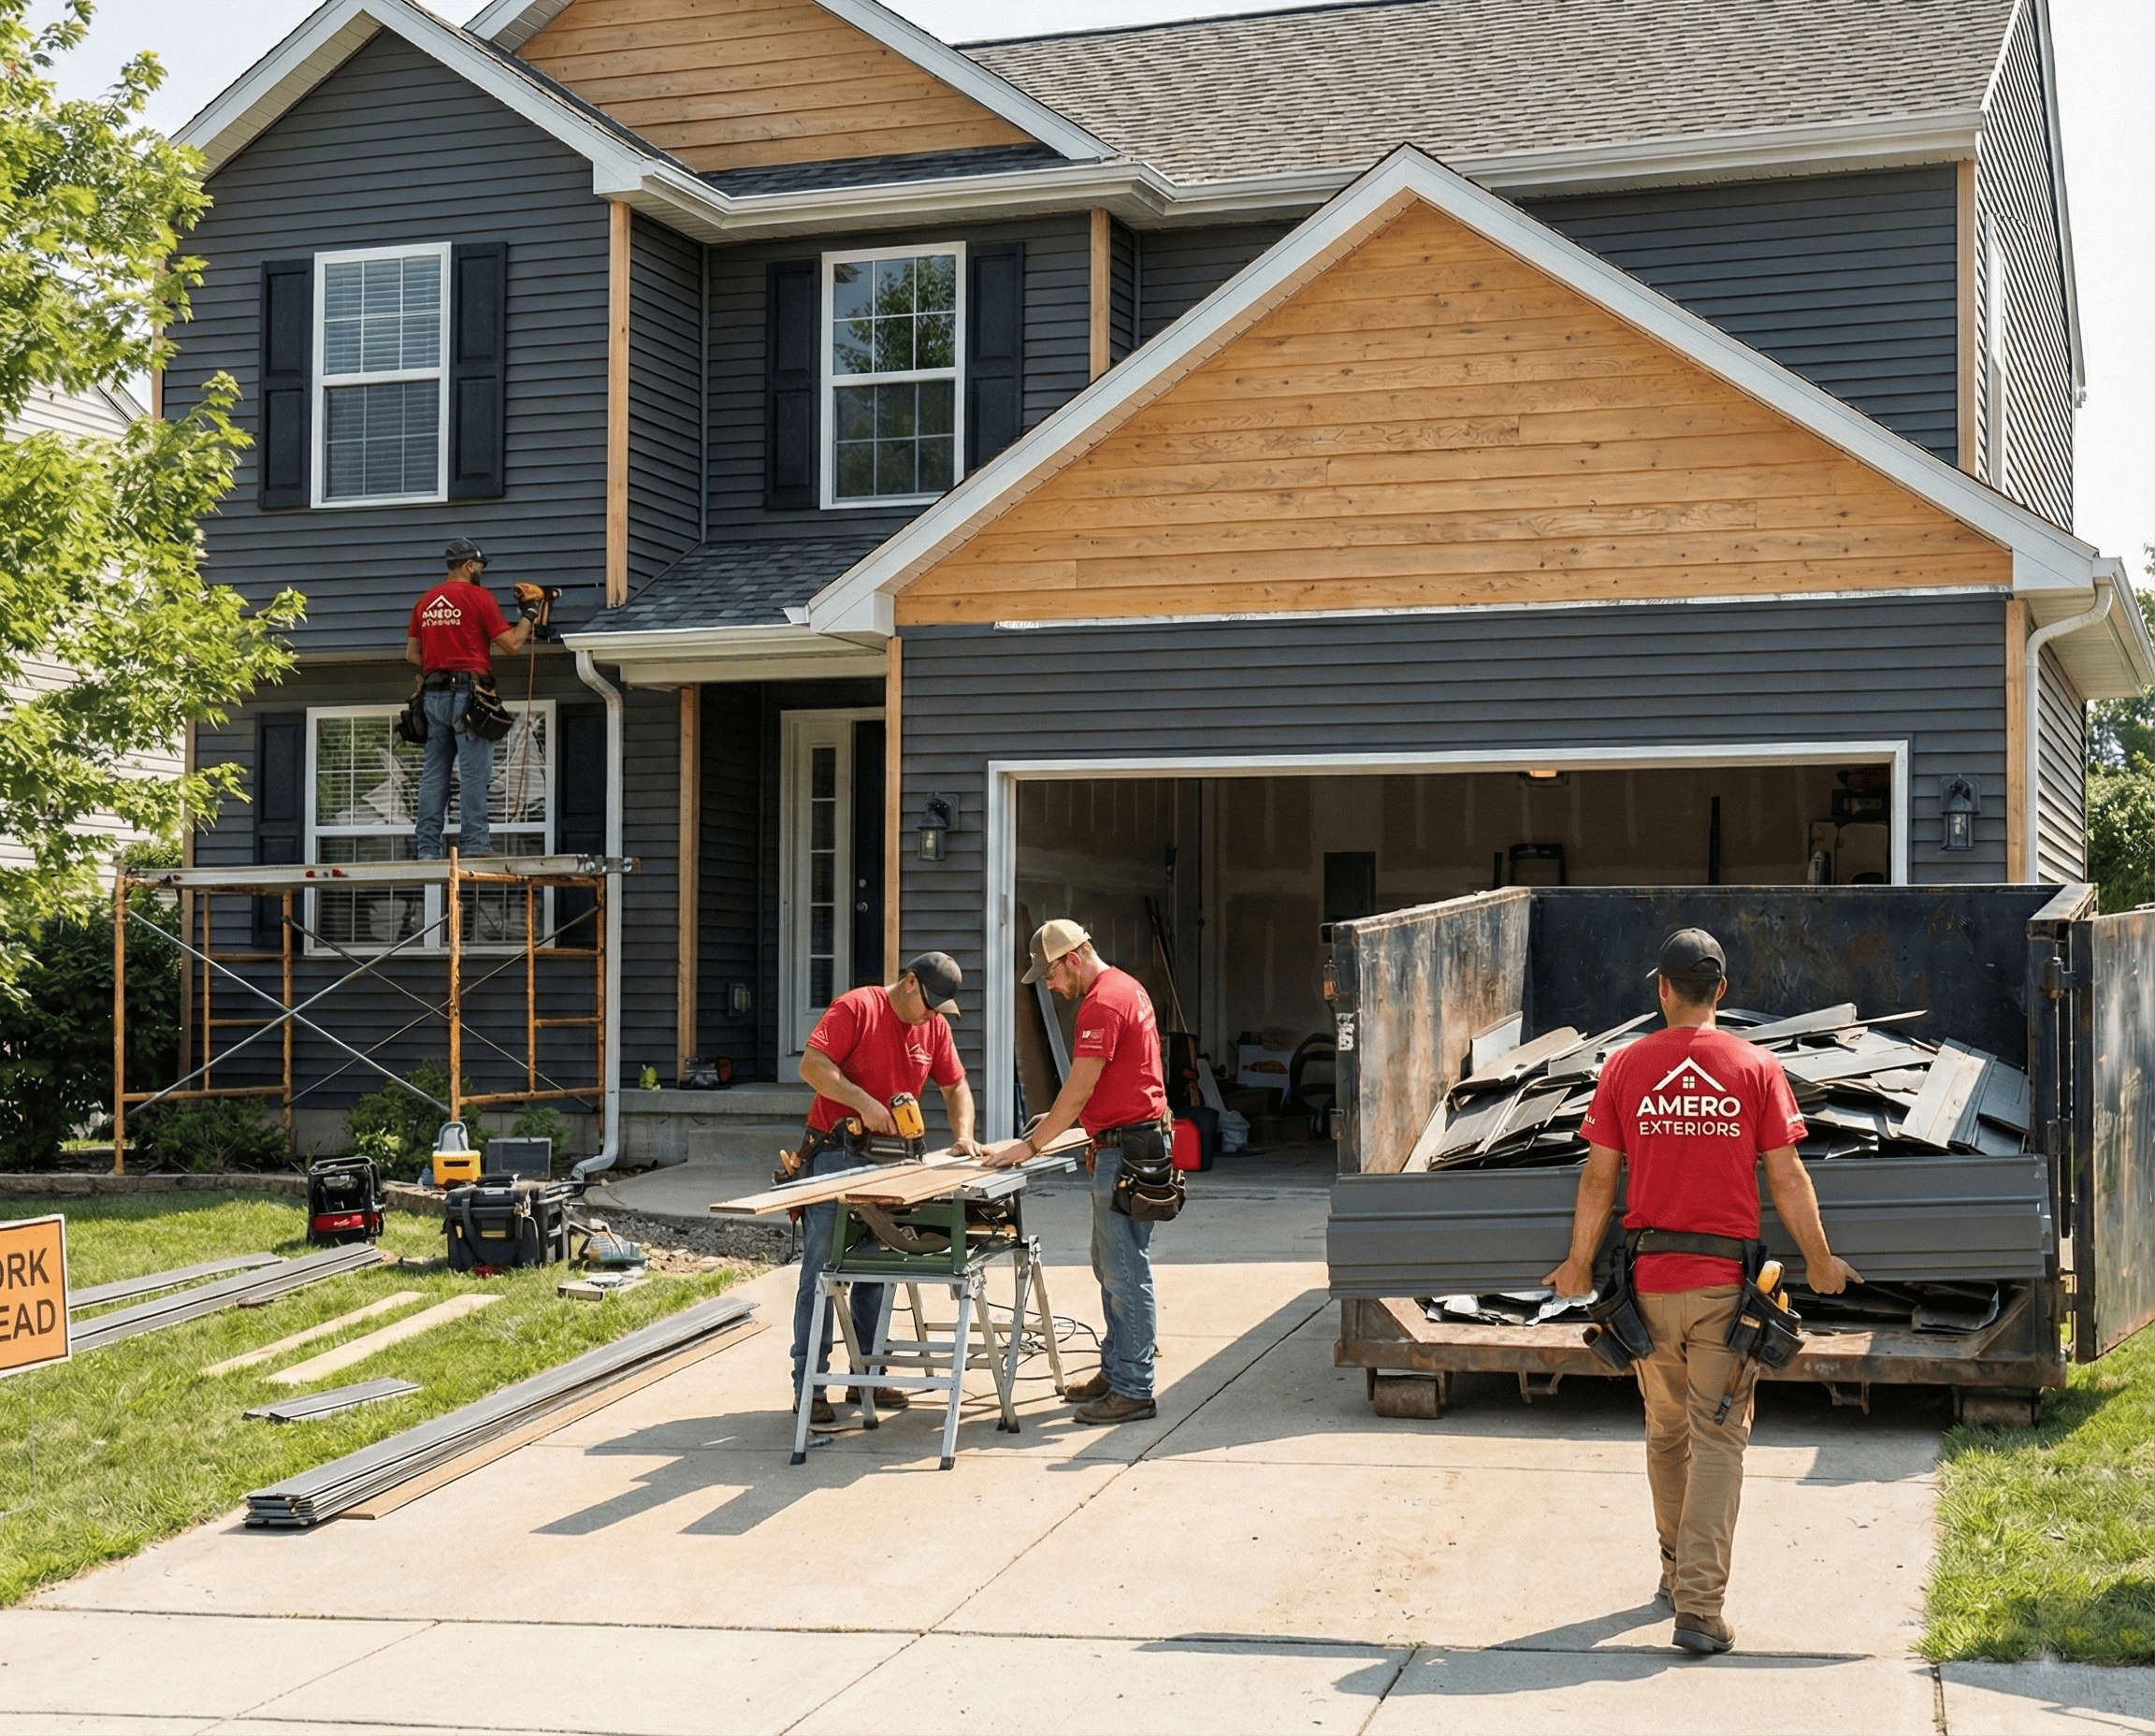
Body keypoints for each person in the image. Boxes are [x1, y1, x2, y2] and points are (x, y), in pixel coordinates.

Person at [1543, 927, 1860, 1656]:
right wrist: (1821, 1260)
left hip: (1648, 1288)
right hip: (1724, 1291)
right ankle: (1699, 1607)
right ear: (1721, 991)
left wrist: (1576, 1263)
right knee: (1719, 1438)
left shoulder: (1625, 1067)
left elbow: (1599, 1178)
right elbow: (1786, 1178)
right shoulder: (1754, 1067)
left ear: (1661, 989)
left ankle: (1673, 1574)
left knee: (1667, 1433)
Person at [985, 920, 1169, 1426]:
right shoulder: (1124, 988)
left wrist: (1032, 1145)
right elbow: (1104, 1085)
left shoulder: (1104, 1001)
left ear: (1073, 958)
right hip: (1130, 1144)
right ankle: (1117, 1369)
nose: (1049, 985)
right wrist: (1063, 1120)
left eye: (1049, 974)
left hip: (1126, 1152)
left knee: (1124, 1271)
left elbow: (1083, 1084)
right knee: (1112, 1265)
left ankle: (1133, 1388)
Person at [792, 952, 979, 1425]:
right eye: (931, 1003)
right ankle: (808, 1385)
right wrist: (863, 1103)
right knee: (823, 1270)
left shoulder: (934, 1027)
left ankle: (866, 1376)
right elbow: (812, 1067)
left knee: (880, 1266)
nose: (934, 1015)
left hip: (895, 1161)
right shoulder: (858, 1008)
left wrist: (963, 1135)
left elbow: (955, 1086)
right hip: (837, 1151)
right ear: (911, 983)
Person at [405, 538, 536, 859]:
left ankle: (426, 850)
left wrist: (446, 656)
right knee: (475, 774)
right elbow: (513, 644)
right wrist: (530, 612)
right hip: (468, 696)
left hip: (432, 698)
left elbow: (412, 654)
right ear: (468, 565)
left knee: (434, 775)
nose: (481, 571)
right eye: (480, 566)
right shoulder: (479, 597)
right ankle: (476, 845)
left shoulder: (426, 601)